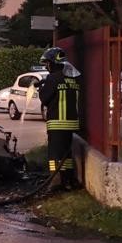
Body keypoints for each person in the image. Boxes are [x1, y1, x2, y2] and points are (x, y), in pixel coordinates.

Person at [36, 47, 81, 190]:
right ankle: (68, 181)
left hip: (57, 123)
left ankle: (55, 183)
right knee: (66, 155)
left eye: (48, 63)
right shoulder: (73, 78)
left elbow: (44, 98)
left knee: (54, 155)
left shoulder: (52, 78)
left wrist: (41, 88)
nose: (47, 66)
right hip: (71, 123)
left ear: (53, 63)